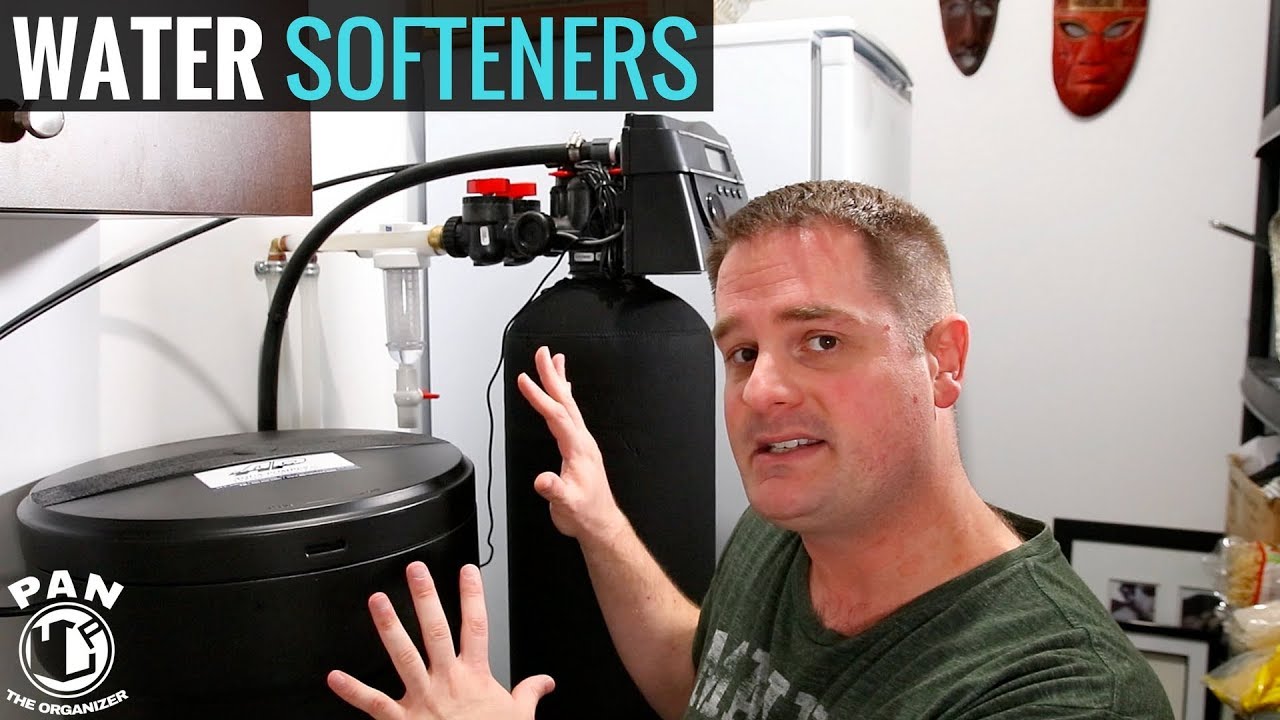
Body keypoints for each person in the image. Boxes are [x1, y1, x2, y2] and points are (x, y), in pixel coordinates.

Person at [329, 180, 1173, 719]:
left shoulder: (1057, 692)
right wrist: (601, 523)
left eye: (821, 341)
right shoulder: (784, 530)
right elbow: (700, 679)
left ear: (943, 361)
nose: (761, 391)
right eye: (741, 352)